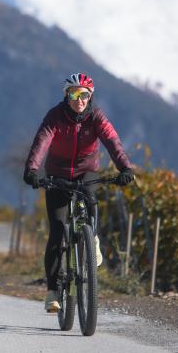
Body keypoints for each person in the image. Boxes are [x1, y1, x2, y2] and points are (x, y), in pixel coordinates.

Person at [23, 72, 134, 313]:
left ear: (90, 96)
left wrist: (125, 167)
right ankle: (53, 291)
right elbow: (42, 141)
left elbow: (113, 141)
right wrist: (32, 169)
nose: (79, 99)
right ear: (66, 95)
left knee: (91, 198)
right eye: (74, 94)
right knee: (57, 231)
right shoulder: (55, 116)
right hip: (57, 174)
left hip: (86, 171)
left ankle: (92, 239)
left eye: (84, 94)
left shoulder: (96, 117)